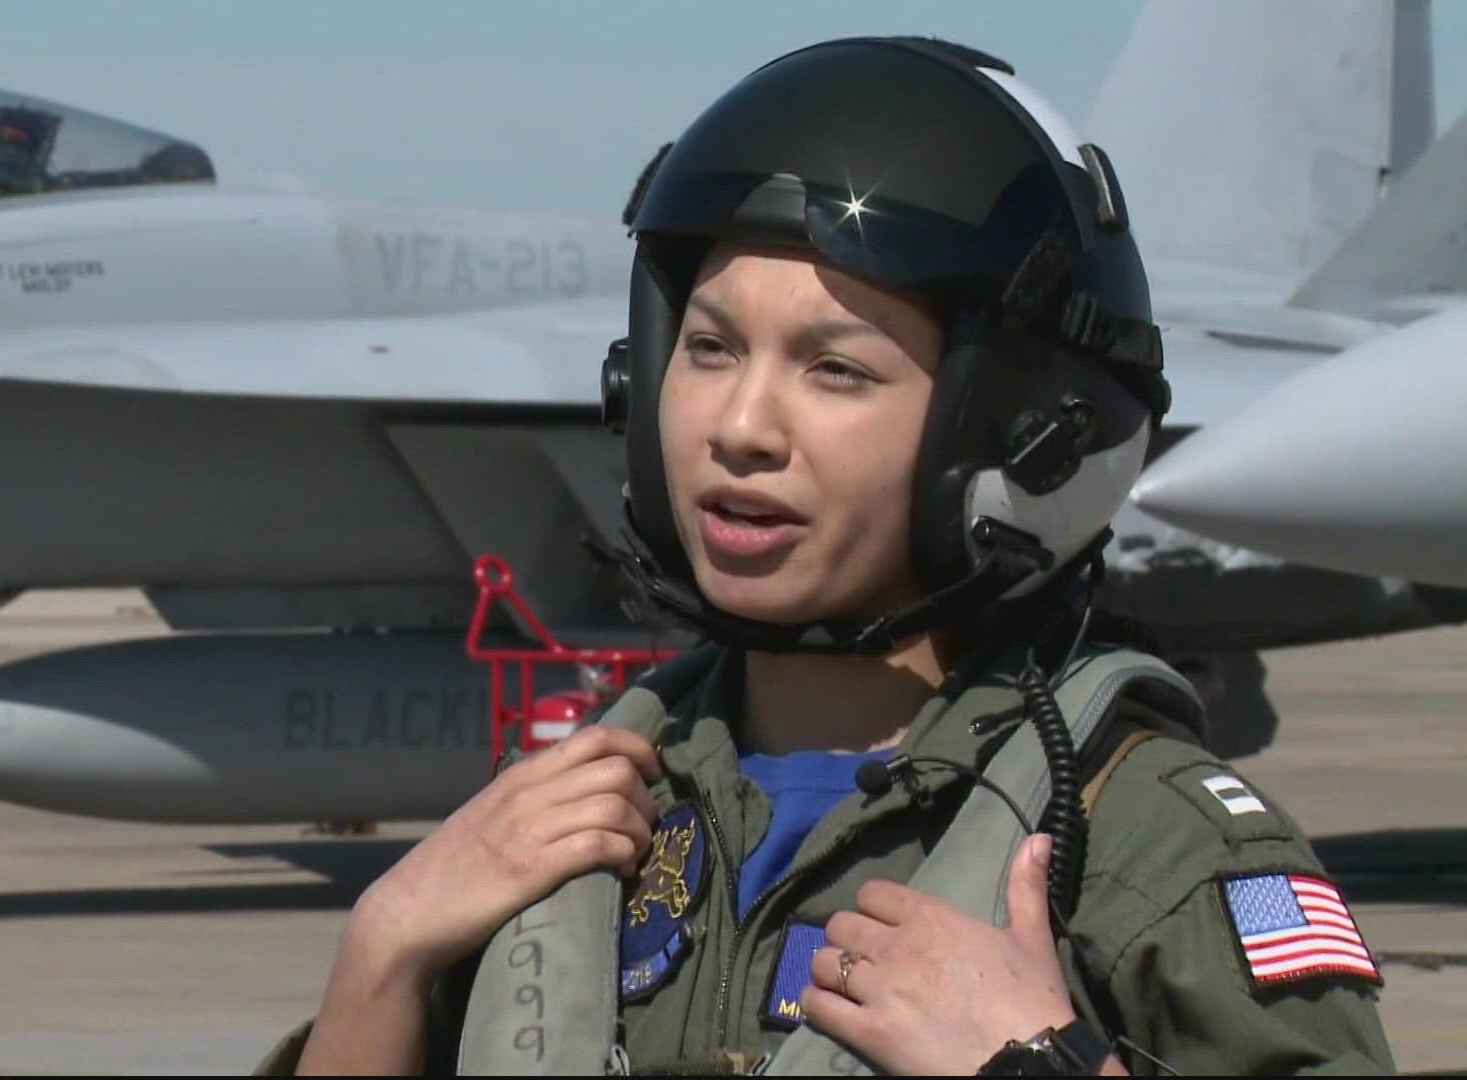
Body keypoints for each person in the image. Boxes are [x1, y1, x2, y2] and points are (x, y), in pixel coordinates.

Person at [257, 36, 1397, 1076]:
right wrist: (385, 955)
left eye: (835, 368)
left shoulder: (1139, 845)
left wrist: (1034, 1063)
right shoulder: (572, 819)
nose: (739, 426)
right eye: (708, 348)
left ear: (1019, 435)